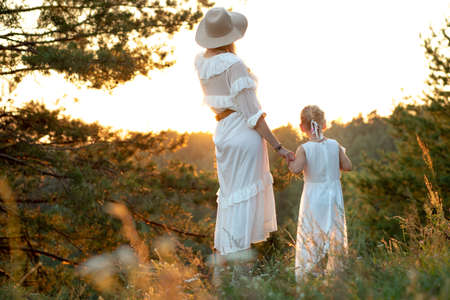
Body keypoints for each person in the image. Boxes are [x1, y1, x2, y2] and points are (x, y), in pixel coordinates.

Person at [194, 7, 294, 262]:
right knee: (244, 198)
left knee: (231, 199)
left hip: (223, 134)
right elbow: (253, 114)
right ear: (230, 36)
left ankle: (227, 262)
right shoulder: (234, 64)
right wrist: (279, 147)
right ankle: (240, 270)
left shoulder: (201, 63)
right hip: (243, 131)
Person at [288, 105, 352, 279]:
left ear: (302, 127)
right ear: (324, 124)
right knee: (334, 233)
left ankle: (310, 273)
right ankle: (336, 274)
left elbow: (296, 169)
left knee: (312, 233)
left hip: (314, 197)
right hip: (333, 196)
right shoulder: (334, 145)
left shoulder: (304, 148)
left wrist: (289, 161)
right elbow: (347, 166)